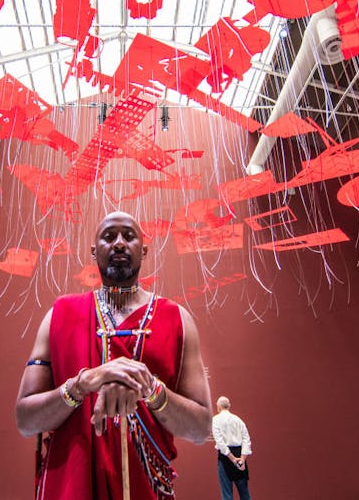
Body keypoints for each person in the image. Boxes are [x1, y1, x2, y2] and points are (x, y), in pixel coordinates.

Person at [15, 211, 212, 500]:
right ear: (95, 250)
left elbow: (200, 427)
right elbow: (25, 420)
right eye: (109, 237)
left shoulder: (177, 319)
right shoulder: (59, 315)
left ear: (143, 250)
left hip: (147, 488)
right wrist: (81, 385)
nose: (119, 243)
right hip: (70, 486)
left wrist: (150, 389)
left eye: (128, 236)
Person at [212, 396, 252, 500]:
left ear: (218, 407)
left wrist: (232, 458)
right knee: (244, 493)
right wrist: (242, 459)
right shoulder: (238, 420)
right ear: (229, 406)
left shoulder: (216, 420)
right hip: (240, 455)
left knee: (227, 494)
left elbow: (220, 442)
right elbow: (246, 439)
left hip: (226, 457)